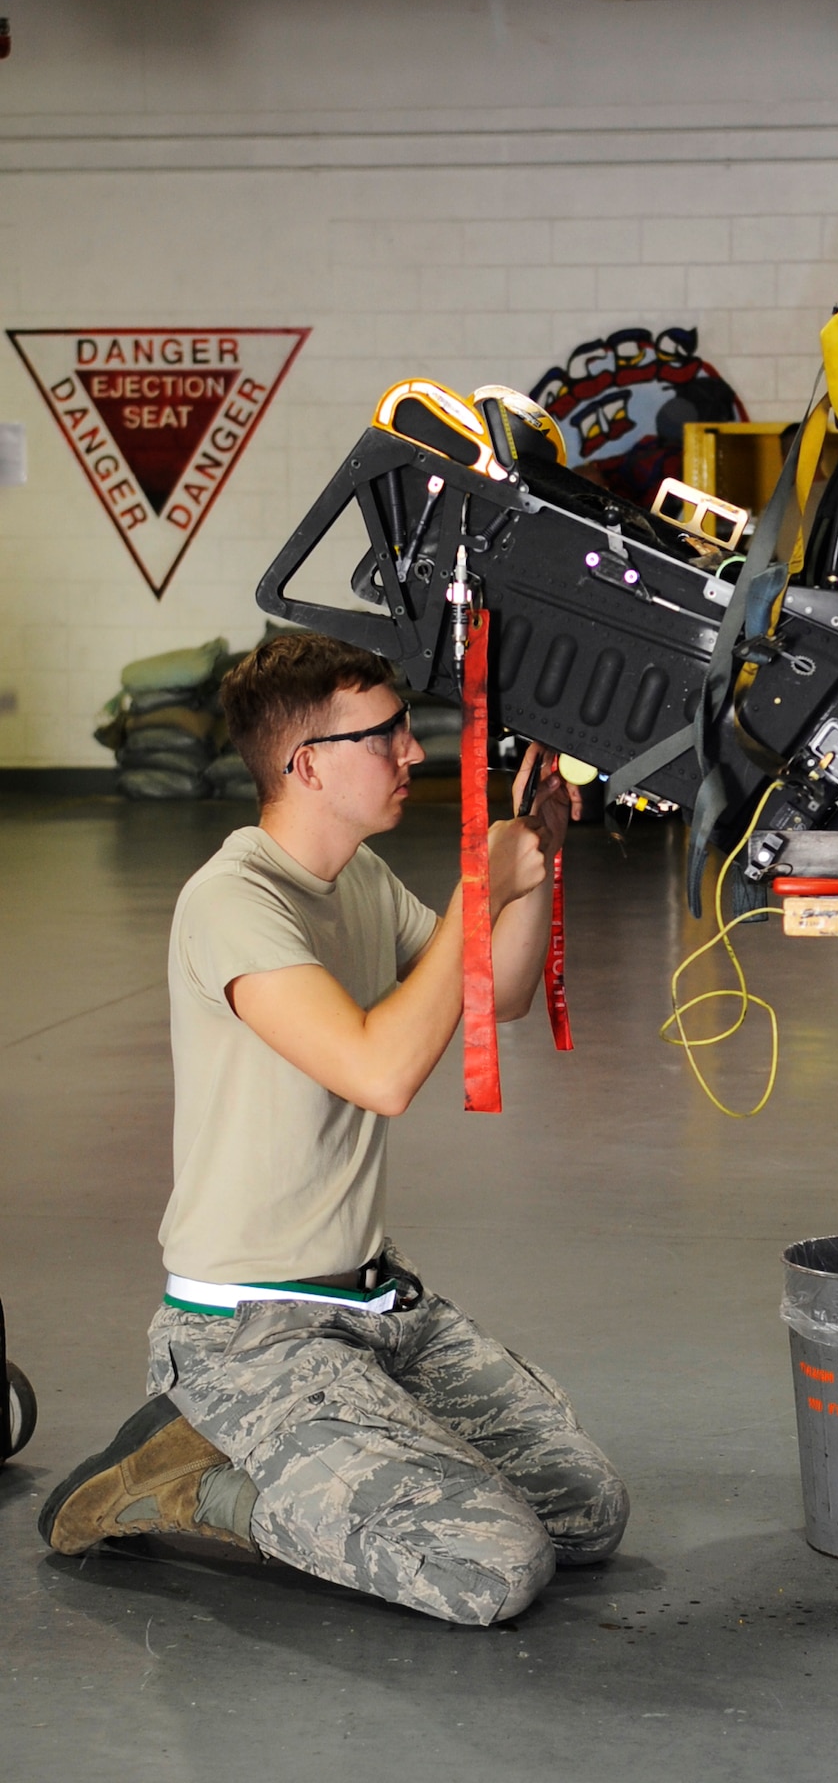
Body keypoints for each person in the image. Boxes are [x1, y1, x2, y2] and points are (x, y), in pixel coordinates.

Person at [40, 632, 628, 1625]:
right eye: (385, 735)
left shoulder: (354, 877)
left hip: (371, 1304)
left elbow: (502, 996)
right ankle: (189, 1481)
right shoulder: (232, 901)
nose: (411, 752)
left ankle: (324, 1445)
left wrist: (533, 861)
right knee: (490, 1567)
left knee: (584, 1513)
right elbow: (381, 1068)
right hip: (247, 1333)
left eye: (405, 728)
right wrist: (477, 891)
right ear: (306, 762)